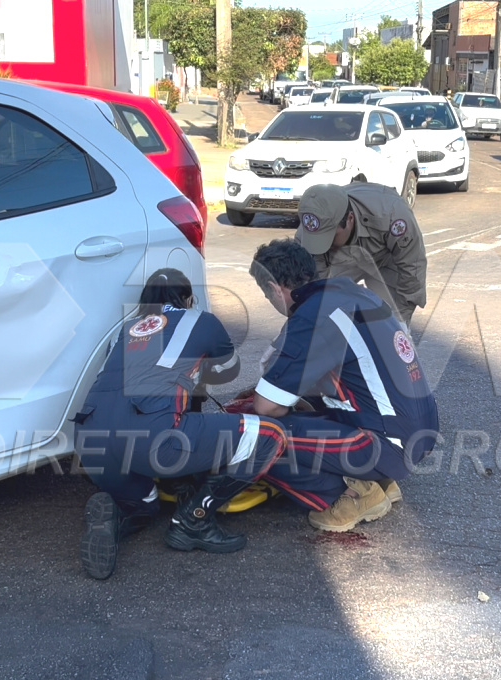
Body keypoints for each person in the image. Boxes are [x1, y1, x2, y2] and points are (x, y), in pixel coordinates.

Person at [74, 269, 288, 579]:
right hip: (152, 438)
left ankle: (120, 513)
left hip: (90, 441)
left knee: (147, 504)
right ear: (187, 299)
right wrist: (193, 371)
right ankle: (194, 520)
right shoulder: (199, 319)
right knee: (270, 435)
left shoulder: (125, 329)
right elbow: (228, 371)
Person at [250, 239, 440, 532]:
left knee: (257, 438)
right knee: (304, 410)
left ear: (275, 289)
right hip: (418, 431)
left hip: (386, 445)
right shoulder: (356, 294)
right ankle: (378, 478)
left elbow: (266, 406)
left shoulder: (313, 315)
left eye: (267, 295)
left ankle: (353, 493)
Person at [295, 183, 427, 327]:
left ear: (350, 219)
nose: (324, 244)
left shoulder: (393, 216)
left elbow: (412, 269)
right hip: (341, 259)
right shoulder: (309, 230)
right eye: (319, 239)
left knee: (390, 321)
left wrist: (400, 320)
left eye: (330, 237)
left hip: (385, 257)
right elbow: (315, 283)